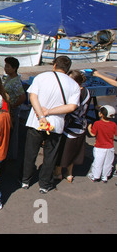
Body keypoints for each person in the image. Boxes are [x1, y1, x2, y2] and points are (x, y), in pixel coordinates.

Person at [21, 56, 80, 194]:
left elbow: (32, 97)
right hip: (56, 123)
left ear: (54, 65)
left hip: (36, 122)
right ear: (68, 69)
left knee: (30, 153)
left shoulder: (41, 77)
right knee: (50, 155)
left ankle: (25, 180)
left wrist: (41, 115)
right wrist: (50, 112)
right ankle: (44, 183)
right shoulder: (73, 85)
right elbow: (71, 107)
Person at [54, 70, 92, 183]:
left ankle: (57, 173)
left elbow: (69, 109)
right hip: (81, 126)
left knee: (63, 151)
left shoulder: (74, 93)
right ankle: (69, 173)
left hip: (69, 127)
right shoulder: (87, 92)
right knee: (74, 152)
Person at [2, 57, 26, 160]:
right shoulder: (8, 78)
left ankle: (11, 155)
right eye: (5, 66)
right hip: (6, 108)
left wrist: (13, 105)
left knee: (12, 133)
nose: (5, 68)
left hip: (12, 110)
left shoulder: (16, 81)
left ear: (14, 68)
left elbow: (22, 97)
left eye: (8, 66)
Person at [87, 105, 117, 183]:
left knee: (98, 162)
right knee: (108, 162)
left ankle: (95, 176)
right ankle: (105, 176)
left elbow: (93, 134)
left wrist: (89, 128)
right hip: (110, 147)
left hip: (99, 147)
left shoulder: (97, 123)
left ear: (101, 114)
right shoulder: (113, 125)